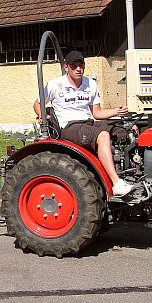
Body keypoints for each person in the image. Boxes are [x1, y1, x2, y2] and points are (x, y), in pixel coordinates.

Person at [34, 50, 134, 197]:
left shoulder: (90, 84)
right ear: (66, 67)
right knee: (103, 135)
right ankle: (116, 183)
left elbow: (97, 113)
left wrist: (117, 112)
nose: (79, 69)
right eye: (74, 66)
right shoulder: (55, 85)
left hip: (87, 122)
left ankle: (132, 173)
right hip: (68, 127)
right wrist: (42, 115)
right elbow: (37, 103)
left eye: (81, 65)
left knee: (125, 131)